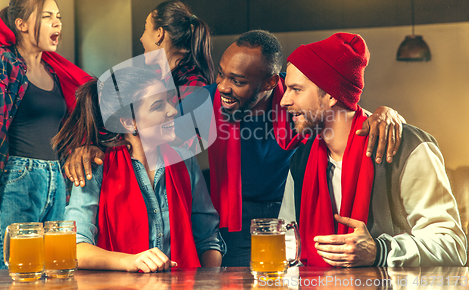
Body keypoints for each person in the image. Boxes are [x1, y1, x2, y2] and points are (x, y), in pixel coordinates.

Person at [62, 30, 404, 267]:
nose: (223, 87)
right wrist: (88, 147)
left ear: (271, 83)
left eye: (238, 81)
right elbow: (132, 121)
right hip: (235, 223)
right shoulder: (205, 102)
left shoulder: (298, 104)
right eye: (223, 75)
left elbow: (340, 109)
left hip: (291, 219)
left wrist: (386, 113)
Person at [278, 32, 467, 267]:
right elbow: (286, 240)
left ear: (330, 94)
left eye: (296, 89)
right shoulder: (301, 160)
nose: (284, 100)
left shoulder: (407, 147)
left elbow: (453, 245)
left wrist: (381, 250)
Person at [0, 0, 91, 269]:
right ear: (22, 24)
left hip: (56, 179)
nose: (57, 24)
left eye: (59, 17)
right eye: (48, 17)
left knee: (56, 271)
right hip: (16, 180)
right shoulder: (3, 63)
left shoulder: (56, 71)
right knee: (18, 273)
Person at [56, 67, 225, 272]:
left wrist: (210, 281)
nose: (172, 111)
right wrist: (130, 261)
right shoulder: (95, 166)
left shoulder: (185, 160)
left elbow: (208, 239)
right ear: (129, 122)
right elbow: (74, 248)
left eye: (169, 102)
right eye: (157, 106)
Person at [66, 0, 215, 186]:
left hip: (176, 182)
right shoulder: (152, 78)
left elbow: (184, 145)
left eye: (145, 29)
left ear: (159, 34)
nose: (141, 38)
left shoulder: (194, 86)